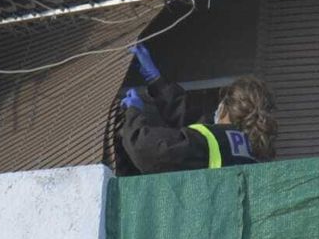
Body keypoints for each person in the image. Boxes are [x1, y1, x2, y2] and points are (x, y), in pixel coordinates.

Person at [117, 44, 278, 175]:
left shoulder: (208, 143)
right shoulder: (252, 152)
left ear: (224, 109)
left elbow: (143, 147)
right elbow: (193, 118)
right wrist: (157, 82)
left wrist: (133, 113)